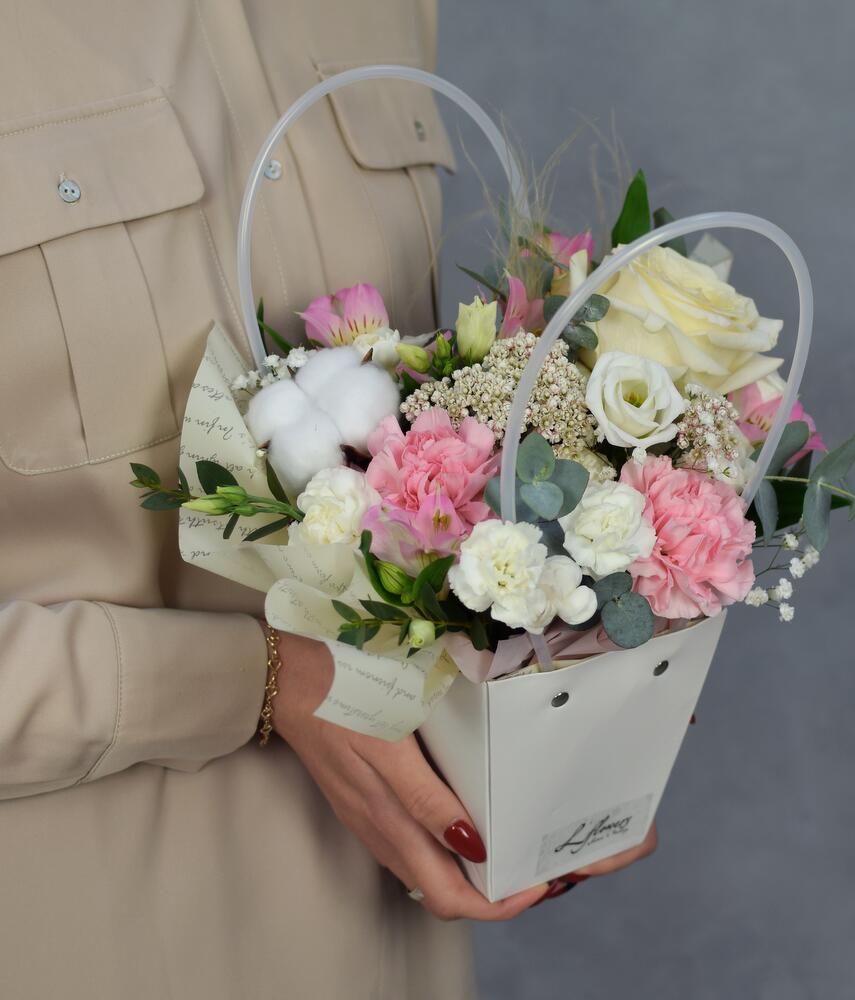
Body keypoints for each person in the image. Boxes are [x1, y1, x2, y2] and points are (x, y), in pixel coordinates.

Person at [0, 2, 656, 996]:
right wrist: (264, 679)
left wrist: (565, 621)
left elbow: (421, 445)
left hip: (387, 939)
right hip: (81, 933)